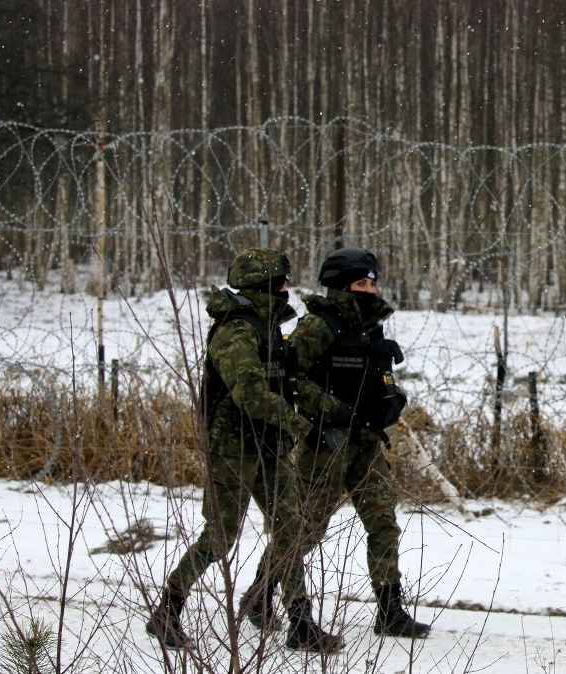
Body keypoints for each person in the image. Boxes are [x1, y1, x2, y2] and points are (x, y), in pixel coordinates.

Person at [145, 247, 341, 653]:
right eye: (282, 281)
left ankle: (300, 622)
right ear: (266, 284)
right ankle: (168, 609)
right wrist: (299, 424)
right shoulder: (237, 330)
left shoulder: (267, 328)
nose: (288, 287)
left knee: (289, 530)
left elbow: (281, 383)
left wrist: (330, 409)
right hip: (232, 449)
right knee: (219, 538)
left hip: (267, 445)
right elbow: (250, 392)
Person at [239, 246, 430, 640]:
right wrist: (333, 409)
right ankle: (260, 594)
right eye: (362, 282)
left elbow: (375, 378)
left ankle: (390, 610)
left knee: (383, 522)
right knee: (306, 528)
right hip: (325, 444)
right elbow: (292, 382)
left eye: (373, 282)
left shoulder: (369, 327)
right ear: (342, 285)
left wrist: (393, 398)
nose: (370, 289)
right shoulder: (317, 327)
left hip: (365, 443)